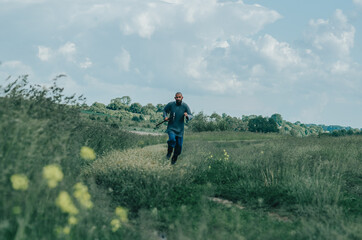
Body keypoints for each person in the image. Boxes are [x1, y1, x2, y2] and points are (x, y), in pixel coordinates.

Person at [163, 92, 193, 165]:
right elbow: (164, 110)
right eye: (177, 97)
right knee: (172, 139)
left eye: (179, 97)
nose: (178, 98)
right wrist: (165, 117)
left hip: (180, 131)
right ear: (175, 98)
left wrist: (187, 116)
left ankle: (173, 161)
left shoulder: (185, 106)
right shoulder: (171, 104)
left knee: (179, 148)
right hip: (171, 128)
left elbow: (191, 116)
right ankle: (169, 152)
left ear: (182, 98)